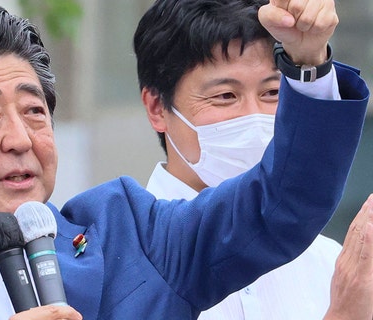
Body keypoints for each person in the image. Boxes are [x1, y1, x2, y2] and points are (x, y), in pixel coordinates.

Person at [0, 2, 369, 319]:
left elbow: (283, 201)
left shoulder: (131, 231)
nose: (19, 139)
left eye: (34, 112)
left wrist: (307, 62)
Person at [134, 0, 354, 318]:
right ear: (157, 108)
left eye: (272, 93)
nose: (253, 117)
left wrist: (309, 56)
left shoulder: (330, 265)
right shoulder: (120, 262)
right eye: (225, 96)